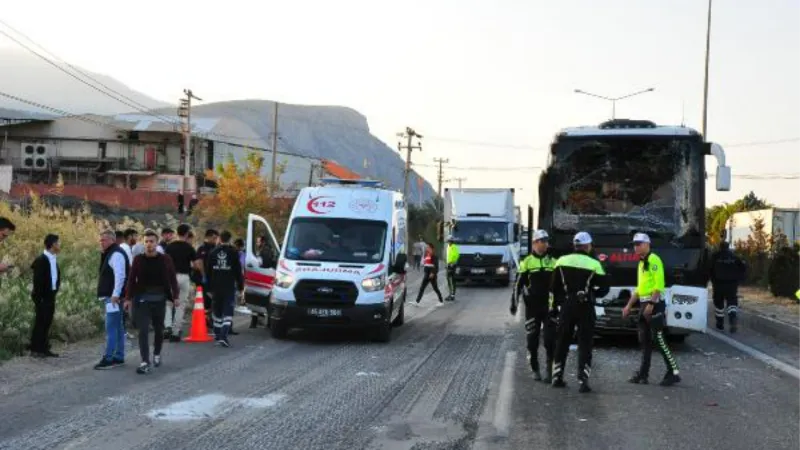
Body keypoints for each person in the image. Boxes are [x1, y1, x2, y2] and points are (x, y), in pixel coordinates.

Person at [550, 231, 609, 393]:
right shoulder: (594, 263)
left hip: (567, 306)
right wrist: (592, 294)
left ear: (574, 245)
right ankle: (583, 381)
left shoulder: (561, 261)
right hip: (586, 306)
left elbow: (554, 287)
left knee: (562, 341)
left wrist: (556, 306)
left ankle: (557, 377)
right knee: (585, 344)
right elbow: (605, 288)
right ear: (588, 246)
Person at [623, 232, 681, 387]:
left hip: (653, 305)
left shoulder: (654, 259)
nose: (635, 247)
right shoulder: (642, 262)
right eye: (634, 244)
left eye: (639, 244)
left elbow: (658, 285)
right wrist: (629, 305)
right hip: (643, 304)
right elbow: (640, 288)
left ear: (647, 244)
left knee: (659, 340)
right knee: (644, 341)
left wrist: (652, 304)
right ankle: (643, 374)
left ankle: (673, 372)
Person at [124, 229, 179, 374]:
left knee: (159, 329)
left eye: (151, 241)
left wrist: (176, 296)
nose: (149, 244)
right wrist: (128, 298)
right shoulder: (138, 259)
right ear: (143, 243)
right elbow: (131, 279)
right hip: (142, 298)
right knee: (142, 330)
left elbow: (173, 279)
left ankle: (157, 353)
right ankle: (144, 361)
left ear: (156, 243)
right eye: (146, 242)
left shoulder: (165, 259)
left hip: (159, 297)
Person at [510, 230, 556, 381]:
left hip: (549, 307)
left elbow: (561, 285)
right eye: (542, 241)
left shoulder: (554, 262)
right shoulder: (527, 262)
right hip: (532, 308)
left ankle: (550, 370)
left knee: (550, 340)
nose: (545, 244)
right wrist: (514, 303)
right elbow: (518, 284)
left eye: (546, 241)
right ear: (535, 243)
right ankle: (535, 368)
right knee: (532, 341)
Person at [94, 230, 130, 370]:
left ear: (111, 240)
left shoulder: (115, 254)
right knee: (118, 327)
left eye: (103, 240)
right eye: (100, 240)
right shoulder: (112, 253)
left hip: (113, 298)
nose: (101, 242)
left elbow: (120, 275)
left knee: (111, 328)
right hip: (113, 296)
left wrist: (115, 295)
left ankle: (109, 358)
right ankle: (119, 356)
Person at [206, 231, 244, 347]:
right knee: (228, 311)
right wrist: (241, 286)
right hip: (228, 286)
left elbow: (208, 272)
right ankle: (223, 336)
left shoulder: (213, 252)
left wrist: (208, 288)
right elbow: (238, 271)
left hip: (216, 287)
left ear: (219, 239)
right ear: (230, 239)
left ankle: (217, 336)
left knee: (217, 311)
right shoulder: (233, 253)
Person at [164, 224, 197, 342]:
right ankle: (175, 332)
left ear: (177, 233)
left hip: (171, 277)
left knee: (168, 303)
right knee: (180, 305)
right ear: (187, 233)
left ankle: (167, 326)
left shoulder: (169, 247)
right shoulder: (189, 247)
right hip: (184, 277)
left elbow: (164, 263)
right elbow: (196, 264)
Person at [30, 234, 61, 358]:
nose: (59, 246)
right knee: (40, 322)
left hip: (51, 295)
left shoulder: (53, 258)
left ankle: (44, 348)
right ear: (53, 244)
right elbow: (37, 281)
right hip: (42, 297)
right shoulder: (41, 260)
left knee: (47, 322)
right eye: (58, 243)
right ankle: (35, 350)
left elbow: (54, 277)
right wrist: (39, 298)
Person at [709, 241, 746, 332]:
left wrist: (711, 279)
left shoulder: (715, 256)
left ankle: (720, 323)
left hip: (718, 284)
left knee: (719, 304)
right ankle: (732, 317)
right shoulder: (734, 257)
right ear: (728, 247)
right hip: (732, 285)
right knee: (732, 301)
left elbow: (709, 268)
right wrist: (739, 278)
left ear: (720, 246)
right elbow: (743, 268)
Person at [197, 229, 219, 328]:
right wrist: (203, 275)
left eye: (216, 238)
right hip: (205, 277)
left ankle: (211, 318)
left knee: (213, 299)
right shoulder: (202, 248)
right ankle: (206, 319)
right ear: (208, 237)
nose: (215, 240)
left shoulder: (217, 248)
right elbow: (199, 262)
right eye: (214, 238)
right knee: (206, 300)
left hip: (215, 277)